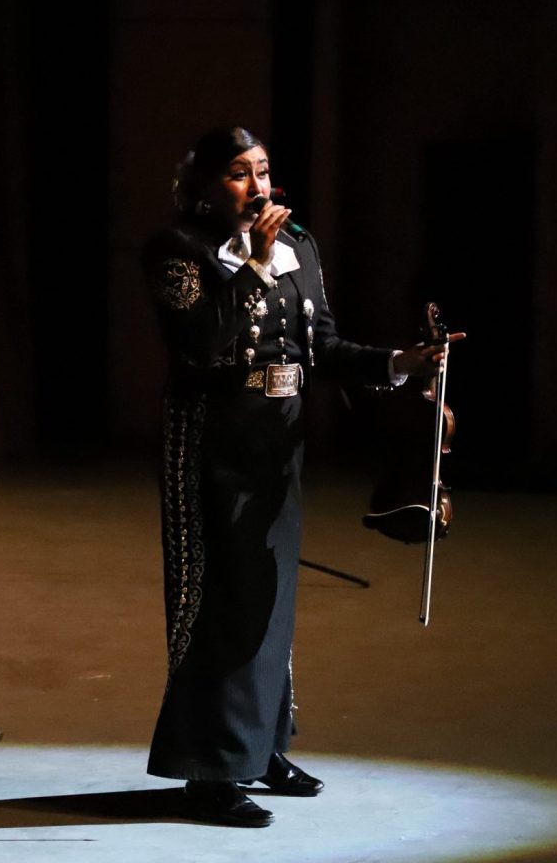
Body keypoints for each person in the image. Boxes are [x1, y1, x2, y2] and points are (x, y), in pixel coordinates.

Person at [141, 126, 460, 828]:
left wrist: (401, 363)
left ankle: (260, 748)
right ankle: (209, 768)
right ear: (203, 187)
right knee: (218, 600)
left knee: (271, 594)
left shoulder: (299, 245)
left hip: (277, 440)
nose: (257, 186)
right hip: (210, 442)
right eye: (237, 173)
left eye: (262, 170)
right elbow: (201, 343)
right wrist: (253, 266)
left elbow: (325, 347)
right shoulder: (177, 250)